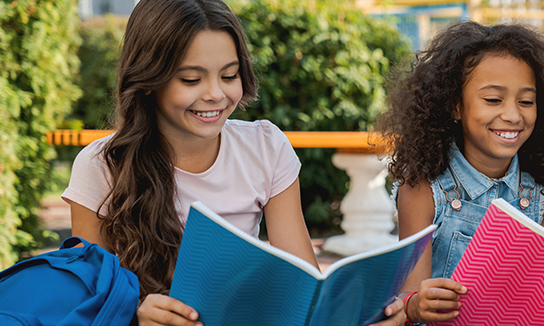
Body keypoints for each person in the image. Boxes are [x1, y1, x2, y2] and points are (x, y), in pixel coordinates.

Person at [60, 0, 352, 325]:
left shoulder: (266, 147)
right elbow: (87, 302)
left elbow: (304, 285)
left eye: (229, 75)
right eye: (191, 80)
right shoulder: (102, 165)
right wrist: (135, 315)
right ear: (148, 79)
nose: (215, 94)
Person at [374, 21, 544, 326]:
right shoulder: (423, 188)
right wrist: (417, 305)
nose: (512, 115)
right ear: (455, 106)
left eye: (526, 101)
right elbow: (407, 298)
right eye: (493, 100)